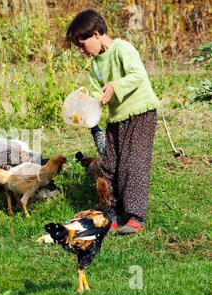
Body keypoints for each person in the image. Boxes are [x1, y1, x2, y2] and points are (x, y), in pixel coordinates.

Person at [66, 9, 159, 235]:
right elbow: (98, 93)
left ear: (96, 34)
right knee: (108, 167)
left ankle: (135, 217)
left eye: (82, 44)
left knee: (133, 163)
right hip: (116, 118)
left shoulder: (122, 49)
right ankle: (110, 215)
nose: (81, 50)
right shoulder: (96, 64)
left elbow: (137, 75)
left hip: (141, 112)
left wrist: (116, 86)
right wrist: (86, 104)